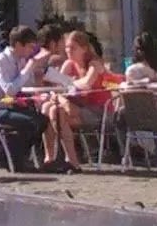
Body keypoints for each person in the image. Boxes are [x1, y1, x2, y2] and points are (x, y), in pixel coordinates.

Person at [40, 28, 108, 172]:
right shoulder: (69, 64)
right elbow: (58, 85)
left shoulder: (94, 64)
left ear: (83, 48)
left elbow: (87, 84)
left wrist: (68, 84)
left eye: (73, 48)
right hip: (74, 107)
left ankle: (71, 160)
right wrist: (65, 89)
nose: (68, 51)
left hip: (96, 110)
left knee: (56, 111)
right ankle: (50, 158)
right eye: (66, 47)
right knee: (49, 109)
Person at [0, 25, 48, 172]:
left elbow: (28, 86)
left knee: (42, 121)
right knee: (28, 123)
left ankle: (10, 156)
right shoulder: (0, 61)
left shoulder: (22, 60)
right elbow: (9, 90)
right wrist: (27, 69)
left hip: (14, 107)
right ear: (18, 45)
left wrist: (35, 74)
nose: (32, 52)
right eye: (30, 47)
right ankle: (14, 160)